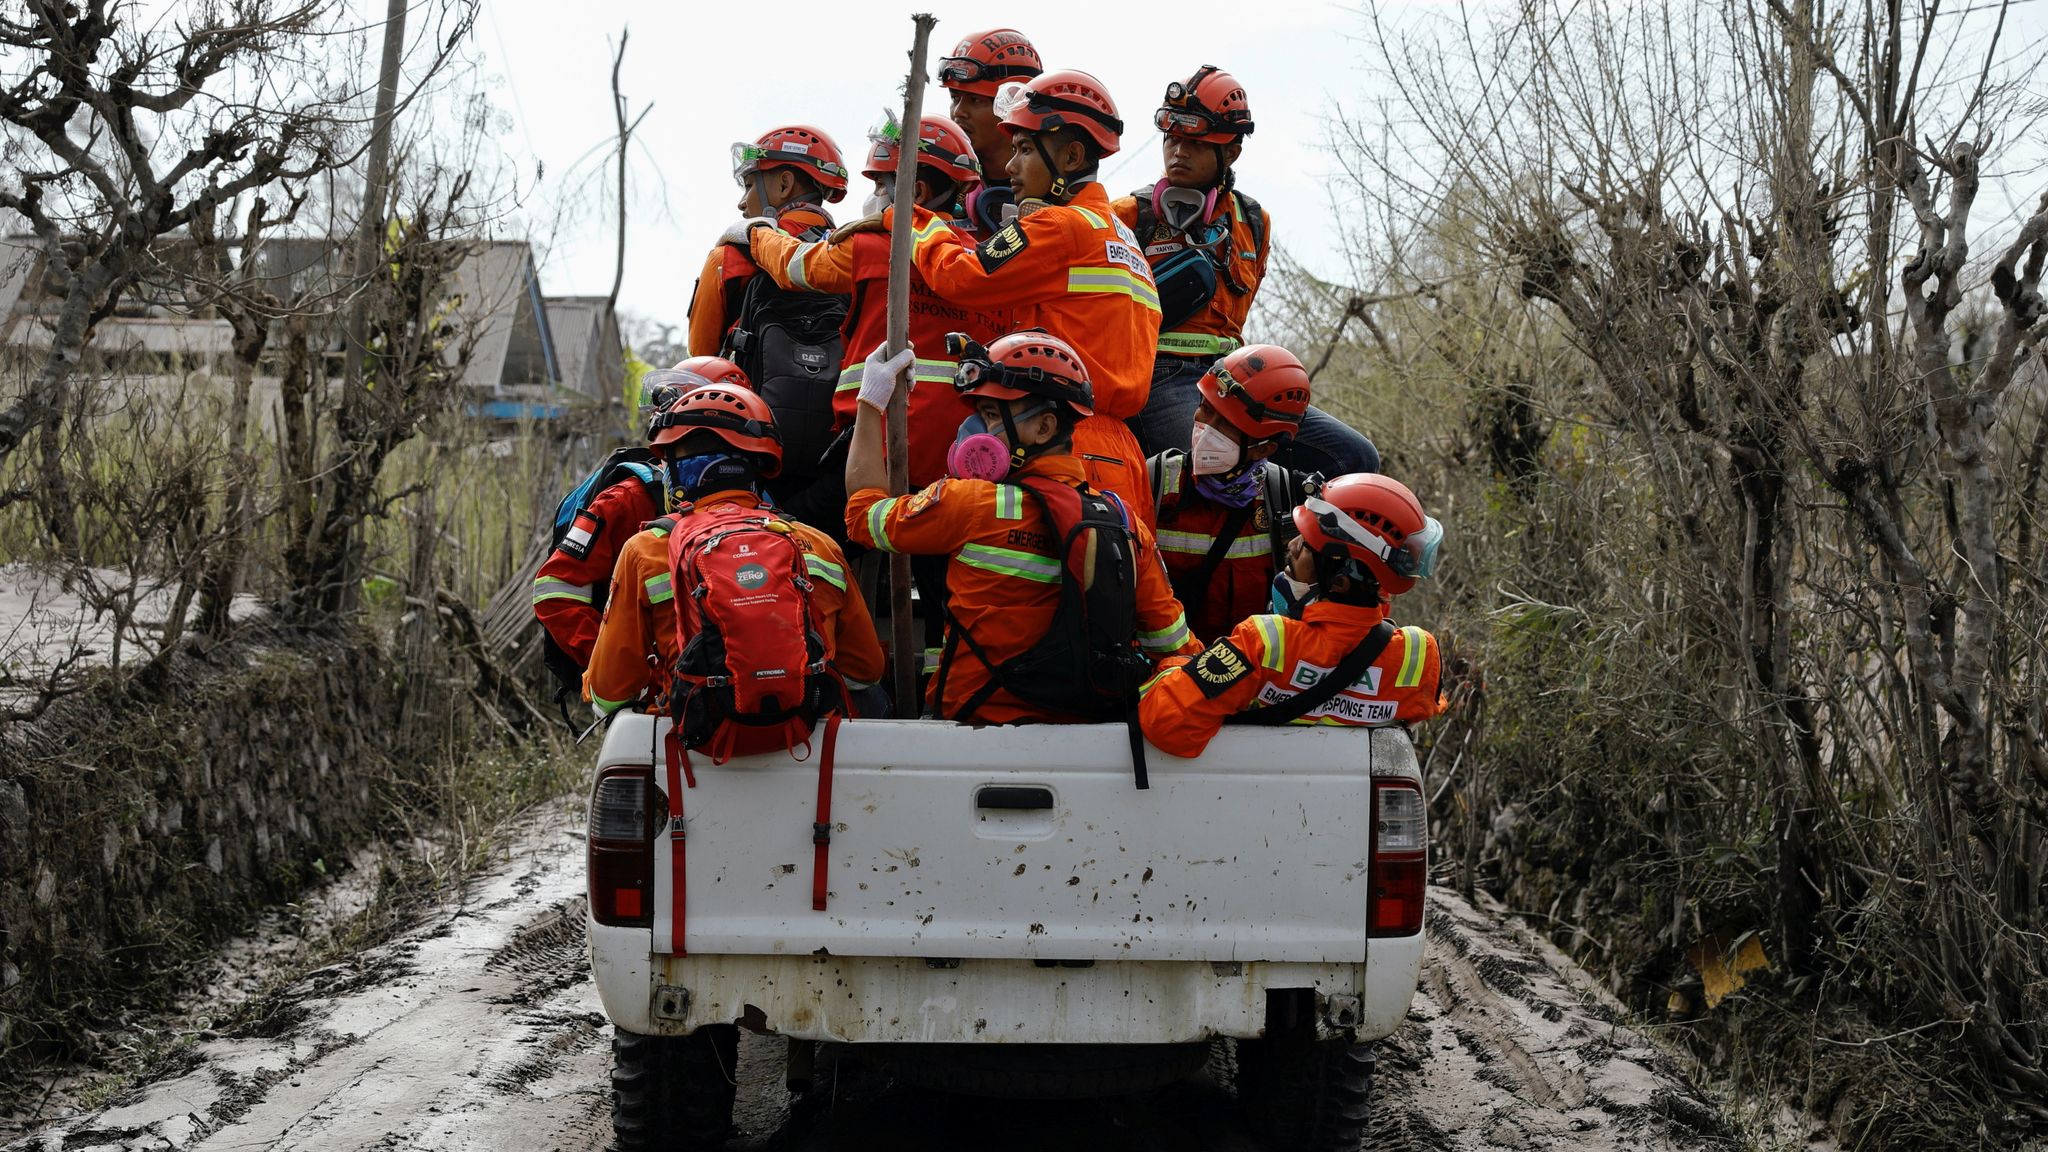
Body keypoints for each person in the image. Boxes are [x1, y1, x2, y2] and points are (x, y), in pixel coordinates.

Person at [844, 329, 1198, 723]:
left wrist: (870, 402)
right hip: (1085, 733)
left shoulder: (971, 504)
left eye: (992, 415)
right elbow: (1174, 647)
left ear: (1045, 428)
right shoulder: (1126, 524)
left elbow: (863, 516)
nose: (976, 431)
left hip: (969, 730)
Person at [877, 69, 1163, 522]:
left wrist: (912, 219)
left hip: (1063, 443)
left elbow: (960, 275)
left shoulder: (1059, 227)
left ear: (1071, 156)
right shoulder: (1123, 238)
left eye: (1026, 149)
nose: (1010, 167)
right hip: (1121, 456)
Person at [1112, 66, 1379, 479]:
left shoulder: (1254, 222)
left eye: (1195, 143)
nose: (1178, 152)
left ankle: (1298, 540)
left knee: (1355, 458)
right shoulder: (1129, 216)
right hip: (1161, 377)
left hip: (1234, 380)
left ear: (1231, 151)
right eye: (1172, 139)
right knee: (1214, 467)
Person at [585, 384, 884, 718]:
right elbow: (865, 671)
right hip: (808, 748)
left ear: (680, 470)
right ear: (759, 465)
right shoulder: (820, 545)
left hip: (692, 749)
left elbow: (609, 693)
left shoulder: (646, 550)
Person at [743, 113, 1002, 495]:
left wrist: (759, 232)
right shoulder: (981, 261)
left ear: (914, 194)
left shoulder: (873, 244)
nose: (876, 195)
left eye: (882, 183)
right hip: (959, 457)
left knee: (808, 533)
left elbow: (796, 268)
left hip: (875, 440)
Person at [1138, 473, 1444, 758]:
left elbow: (1167, 724)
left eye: (1308, 546)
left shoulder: (1264, 644)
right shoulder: (1417, 657)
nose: (1292, 546)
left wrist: (1179, 666)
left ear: (1339, 581)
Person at [532, 358, 749, 686]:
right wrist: (622, 673)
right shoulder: (626, 499)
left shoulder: (759, 498)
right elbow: (555, 590)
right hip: (652, 701)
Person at [1148, 344, 1316, 644]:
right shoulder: (1157, 482)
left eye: (1224, 423)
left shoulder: (1283, 500)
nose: (1205, 428)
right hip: (1168, 675)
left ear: (1264, 448)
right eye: (1206, 408)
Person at [685, 124, 849, 358]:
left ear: (785, 184)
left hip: (748, 394)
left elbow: (700, 358)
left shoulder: (727, 259)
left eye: (750, 185)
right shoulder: (854, 254)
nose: (742, 203)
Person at [935, 27, 1043, 236]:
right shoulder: (936, 179)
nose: (959, 112)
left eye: (976, 100)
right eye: (954, 98)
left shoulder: (1056, 185)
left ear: (1012, 103)